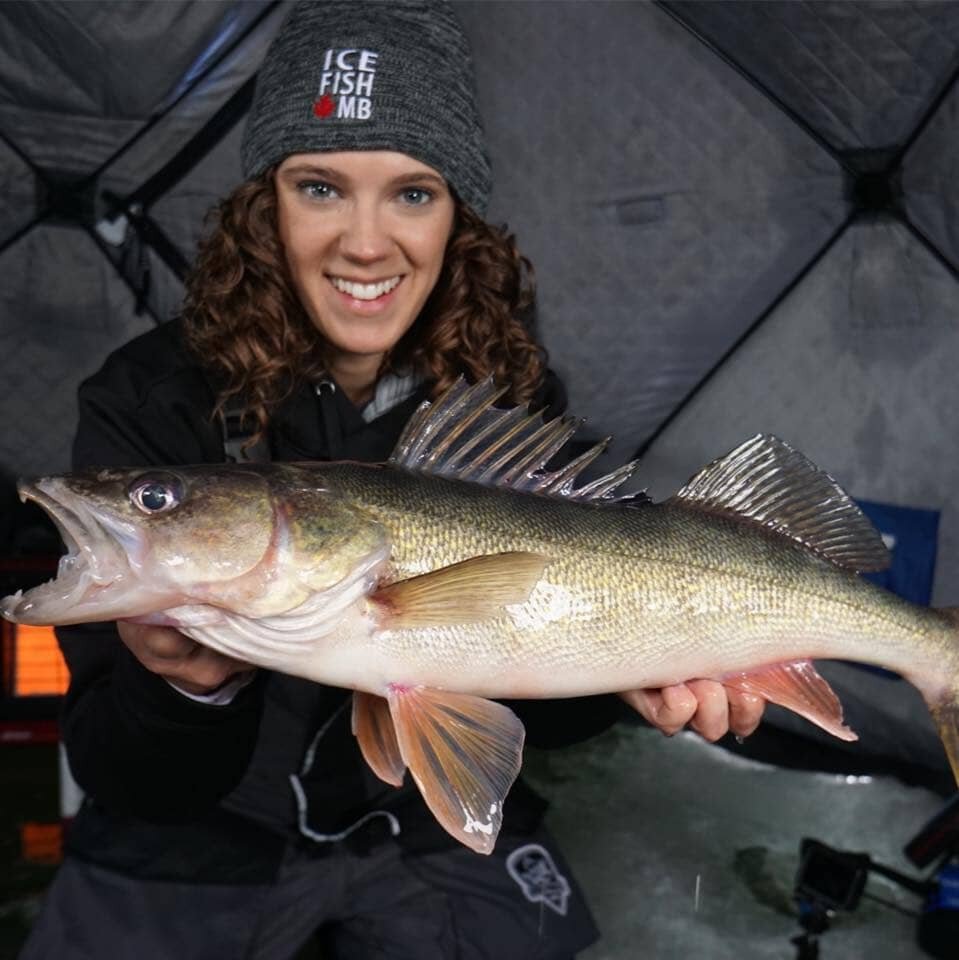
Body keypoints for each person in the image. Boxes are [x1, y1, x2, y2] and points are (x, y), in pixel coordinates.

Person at [20, 3, 765, 958]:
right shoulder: (147, 400)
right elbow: (128, 778)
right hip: (202, 839)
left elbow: (547, 699)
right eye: (320, 187)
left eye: (412, 193)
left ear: (459, 217)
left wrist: (632, 676)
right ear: (264, 207)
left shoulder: (513, 396)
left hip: (422, 818)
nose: (365, 245)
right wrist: (182, 692)